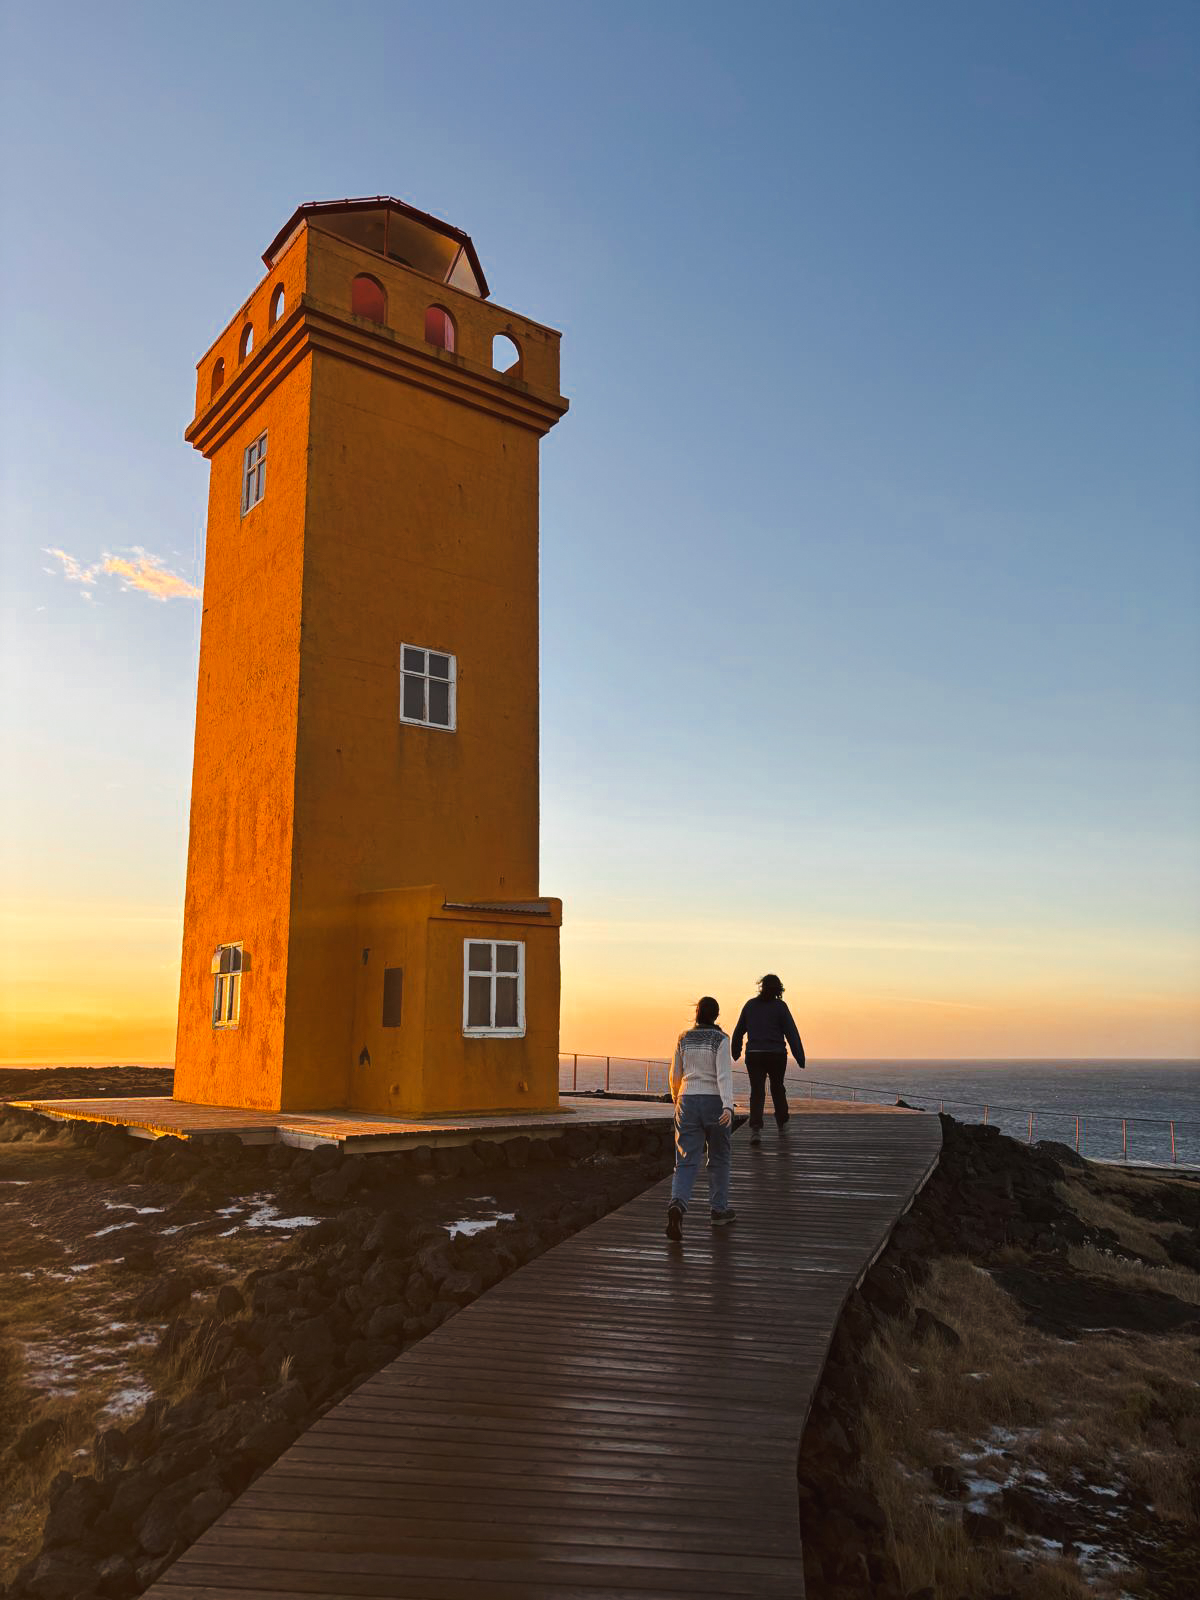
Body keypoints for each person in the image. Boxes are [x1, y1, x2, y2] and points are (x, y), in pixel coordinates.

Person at [665, 996, 735, 1242]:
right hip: (715, 1101)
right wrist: (728, 1106)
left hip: (687, 1100)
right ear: (716, 1015)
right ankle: (719, 1210)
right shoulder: (721, 1039)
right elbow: (724, 1076)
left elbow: (675, 1073)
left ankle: (678, 1205)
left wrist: (677, 1098)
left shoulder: (683, 1038)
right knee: (719, 1157)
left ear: (696, 1013)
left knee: (685, 1160)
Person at [731, 974, 805, 1144]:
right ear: (779, 989)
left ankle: (755, 1130)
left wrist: (735, 1052)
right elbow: (792, 1033)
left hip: (754, 1054)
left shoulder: (750, 1005)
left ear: (761, 987)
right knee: (777, 1088)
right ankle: (782, 1125)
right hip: (776, 1055)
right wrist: (799, 1057)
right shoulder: (780, 1007)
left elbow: (739, 1031)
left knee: (757, 1091)